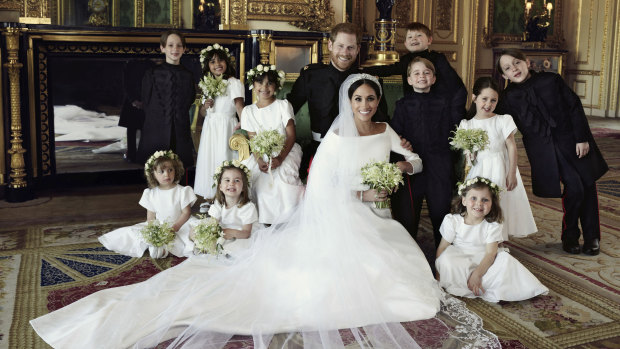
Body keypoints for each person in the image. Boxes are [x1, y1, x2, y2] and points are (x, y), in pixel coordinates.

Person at [30, 74, 500, 349]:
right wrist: (358, 197)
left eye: (371, 99)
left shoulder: (385, 128)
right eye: (358, 99)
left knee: (402, 260)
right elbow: (321, 183)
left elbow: (413, 159)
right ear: (348, 102)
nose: (364, 105)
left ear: (379, 101)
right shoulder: (337, 137)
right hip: (345, 211)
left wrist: (398, 171)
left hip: (378, 209)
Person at [496, 48, 608, 255]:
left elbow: (574, 106)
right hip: (544, 151)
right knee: (576, 187)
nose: (514, 69)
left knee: (587, 186)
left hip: (573, 141)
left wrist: (582, 138)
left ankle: (592, 237)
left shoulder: (551, 80)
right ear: (504, 76)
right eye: (508, 68)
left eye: (517, 63)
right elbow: (495, 120)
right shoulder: (508, 98)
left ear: (527, 62)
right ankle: (571, 234)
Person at [287, 22, 389, 178]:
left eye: (350, 47)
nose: (345, 52)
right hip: (320, 149)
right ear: (330, 45)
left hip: (359, 150)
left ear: (358, 50)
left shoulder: (368, 80)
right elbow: (288, 109)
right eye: (340, 46)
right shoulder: (311, 76)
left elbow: (382, 120)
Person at [435, 177, 549, 302]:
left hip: (484, 262)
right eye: (474, 198)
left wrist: (478, 274)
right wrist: (439, 274)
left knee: (505, 260)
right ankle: (463, 282)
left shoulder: (492, 225)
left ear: (492, 204)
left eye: (485, 200)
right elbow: (442, 248)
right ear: (464, 200)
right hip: (460, 260)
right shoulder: (453, 221)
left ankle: (478, 282)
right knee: (446, 258)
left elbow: (490, 254)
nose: (479, 203)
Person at [390, 57, 464, 245]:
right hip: (412, 165)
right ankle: (408, 251)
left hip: (439, 163)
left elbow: (453, 131)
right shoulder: (403, 105)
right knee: (407, 213)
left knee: (440, 210)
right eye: (416, 73)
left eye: (426, 73)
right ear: (409, 80)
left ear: (433, 78)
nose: (421, 76)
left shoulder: (444, 103)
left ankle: (443, 252)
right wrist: (402, 141)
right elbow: (395, 133)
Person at [457, 77, 537, 240]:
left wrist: (512, 173)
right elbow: (467, 153)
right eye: (484, 99)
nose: (488, 104)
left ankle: (498, 241)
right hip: (479, 169)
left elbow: (511, 146)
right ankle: (482, 238)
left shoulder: (502, 120)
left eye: (493, 100)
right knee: (480, 203)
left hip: (501, 167)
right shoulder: (466, 124)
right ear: (474, 98)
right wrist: (470, 154)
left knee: (500, 203)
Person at [99, 150, 197, 258]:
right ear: (153, 174)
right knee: (135, 234)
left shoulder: (182, 191)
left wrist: (175, 227)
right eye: (161, 171)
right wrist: (155, 231)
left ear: (176, 170)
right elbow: (151, 216)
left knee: (189, 236)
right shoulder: (151, 194)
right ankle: (158, 247)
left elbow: (186, 213)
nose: (167, 174)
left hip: (180, 225)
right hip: (160, 226)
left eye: (170, 170)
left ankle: (165, 249)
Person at [241, 65, 305, 224]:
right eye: (260, 83)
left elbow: (291, 135)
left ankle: (288, 218)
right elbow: (253, 140)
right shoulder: (248, 111)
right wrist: (258, 160)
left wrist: (280, 158)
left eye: (269, 83)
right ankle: (264, 219)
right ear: (253, 85)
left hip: (285, 150)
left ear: (276, 86)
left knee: (282, 180)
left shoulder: (283, 105)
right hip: (261, 153)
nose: (264, 87)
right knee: (258, 180)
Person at [193, 43, 245, 208]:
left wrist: (243, 126)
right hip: (211, 127)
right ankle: (210, 197)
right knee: (210, 159)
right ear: (207, 66)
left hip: (226, 126)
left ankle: (227, 197)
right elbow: (203, 113)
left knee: (224, 157)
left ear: (227, 63)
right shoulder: (207, 84)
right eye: (213, 62)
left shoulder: (233, 83)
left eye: (221, 61)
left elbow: (239, 107)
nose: (217, 65)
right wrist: (205, 106)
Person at [137, 30, 196, 168]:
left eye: (179, 45)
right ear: (162, 48)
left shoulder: (188, 75)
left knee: (179, 169)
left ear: (184, 49)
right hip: (155, 129)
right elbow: (146, 100)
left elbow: (189, 100)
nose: (175, 49)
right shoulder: (151, 73)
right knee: (155, 169)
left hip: (180, 130)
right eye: (170, 45)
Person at [363, 22, 467, 100]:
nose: (414, 39)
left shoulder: (437, 58)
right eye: (410, 37)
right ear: (405, 43)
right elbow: (388, 70)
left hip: (437, 103)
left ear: (429, 40)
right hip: (412, 104)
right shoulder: (406, 60)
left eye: (419, 35)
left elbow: (454, 82)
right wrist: (363, 70)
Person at [195, 160, 260, 255]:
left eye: (237, 180)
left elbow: (246, 233)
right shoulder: (219, 203)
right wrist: (210, 234)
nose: (231, 183)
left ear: (243, 187)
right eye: (227, 180)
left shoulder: (247, 207)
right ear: (220, 186)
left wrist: (228, 232)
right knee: (195, 232)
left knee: (233, 248)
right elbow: (214, 223)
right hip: (224, 232)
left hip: (240, 235)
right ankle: (206, 247)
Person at [118, 58, 155, 163]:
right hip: (134, 100)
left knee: (143, 129)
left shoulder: (149, 64)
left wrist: (143, 100)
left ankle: (141, 154)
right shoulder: (132, 64)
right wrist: (133, 100)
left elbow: (153, 84)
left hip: (143, 100)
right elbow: (127, 83)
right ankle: (132, 154)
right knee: (132, 129)